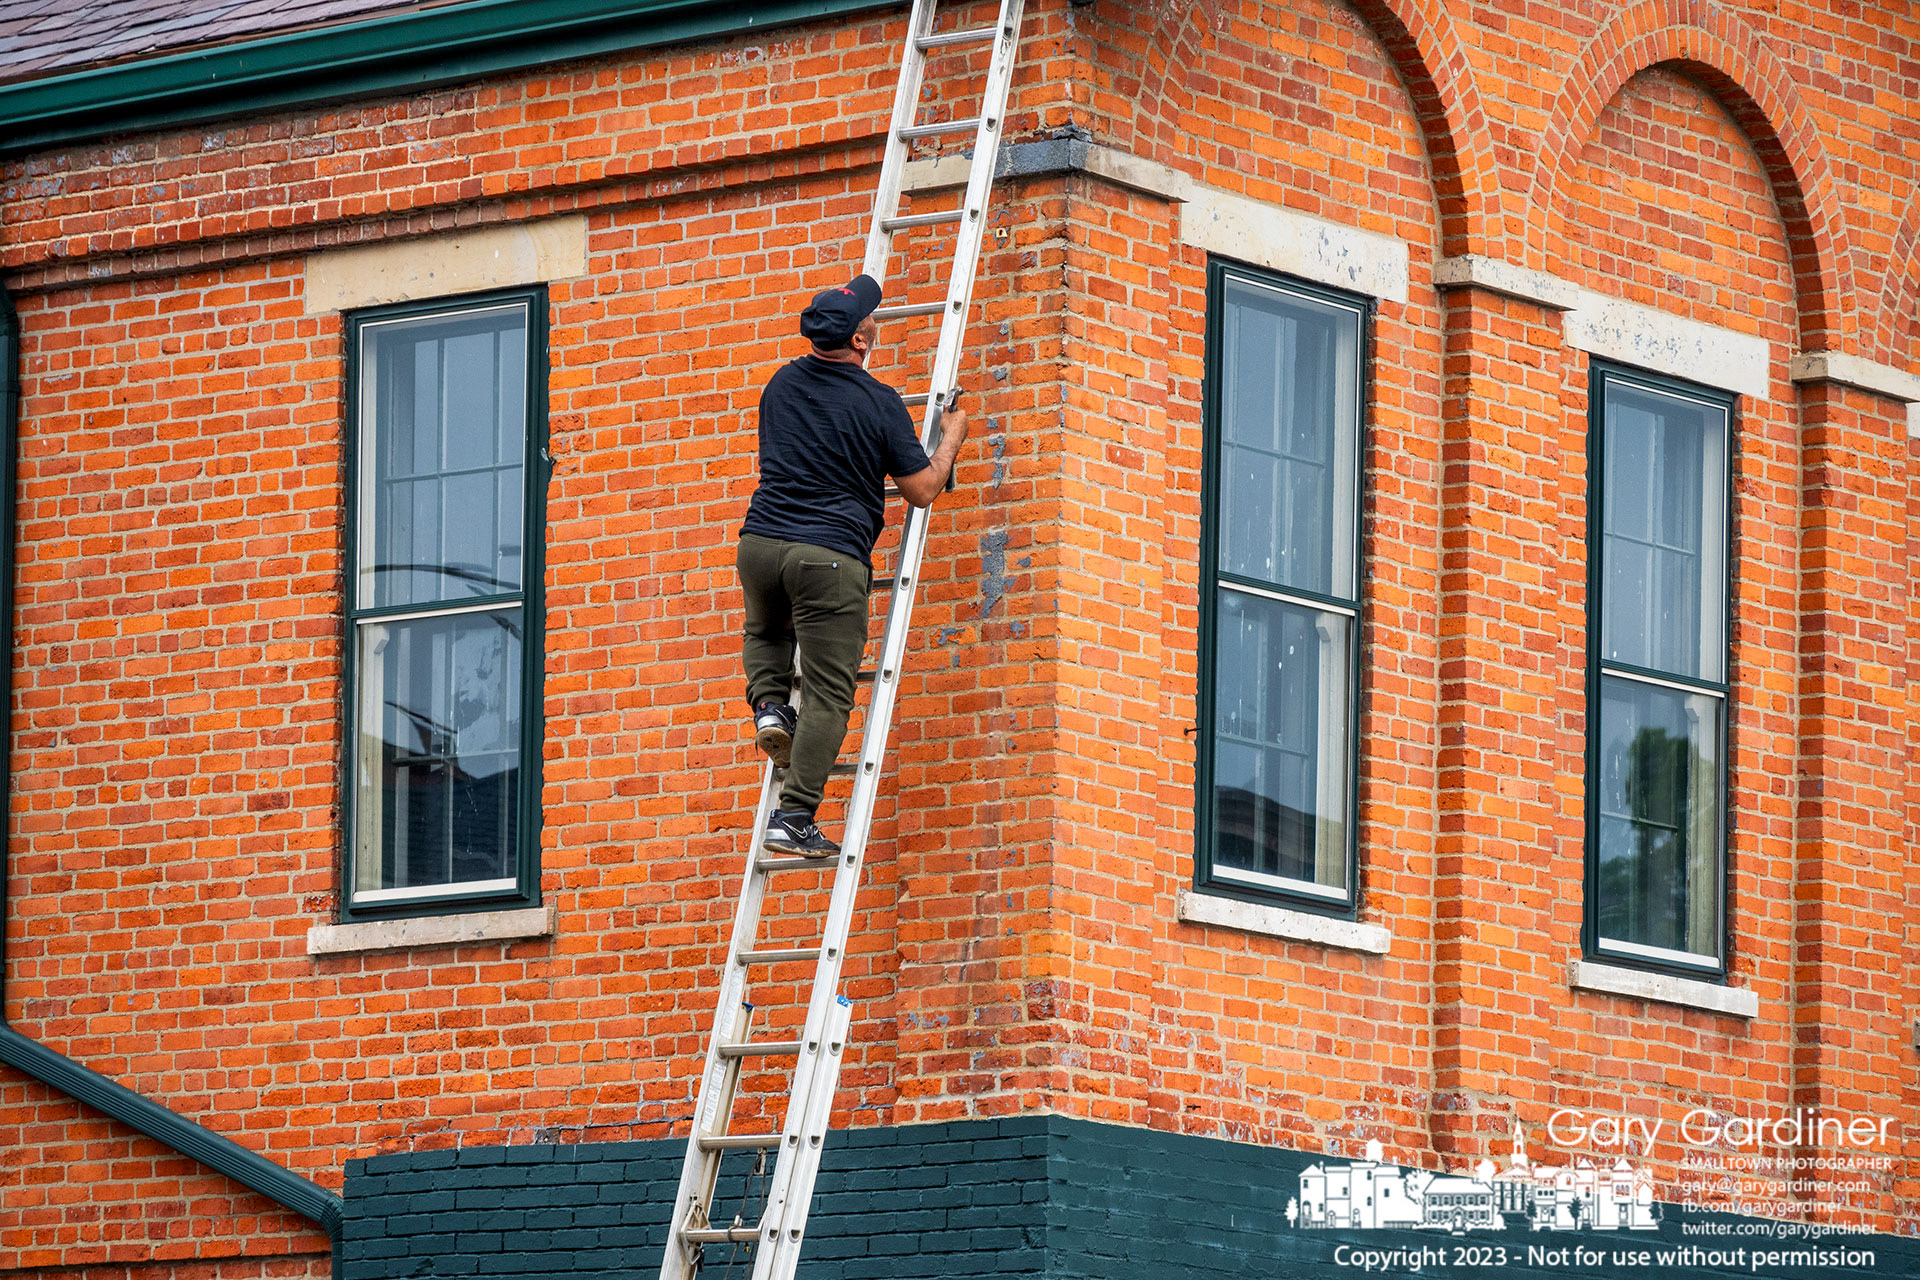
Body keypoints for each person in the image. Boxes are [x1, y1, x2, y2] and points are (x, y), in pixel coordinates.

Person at [736, 273, 970, 856]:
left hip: (760, 543)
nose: (876, 317)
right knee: (827, 695)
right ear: (861, 341)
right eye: (871, 315)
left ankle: (768, 706)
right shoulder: (879, 402)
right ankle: (794, 818)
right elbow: (921, 488)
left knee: (765, 629)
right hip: (829, 558)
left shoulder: (780, 384)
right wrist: (951, 438)